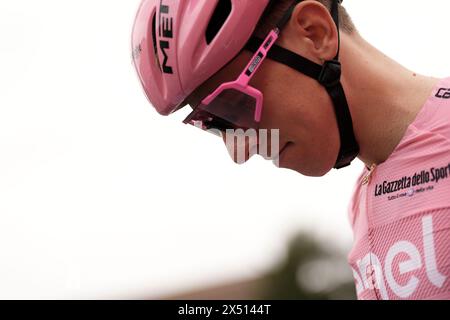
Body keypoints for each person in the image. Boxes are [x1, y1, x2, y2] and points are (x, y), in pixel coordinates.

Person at [132, 0, 450, 300]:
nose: (238, 151)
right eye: (214, 123)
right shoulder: (365, 199)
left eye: (233, 107)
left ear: (315, 32)